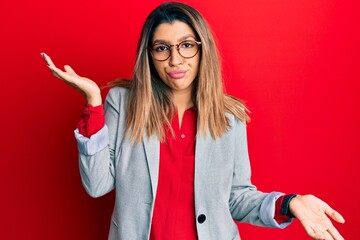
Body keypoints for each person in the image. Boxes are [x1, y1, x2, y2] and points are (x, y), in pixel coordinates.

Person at [41, 2, 345, 240]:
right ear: (149, 55)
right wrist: (93, 102)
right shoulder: (122, 102)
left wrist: (290, 203)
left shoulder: (230, 117)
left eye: (186, 45)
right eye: (162, 48)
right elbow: (97, 185)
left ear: (202, 49)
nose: (175, 59)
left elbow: (237, 198)